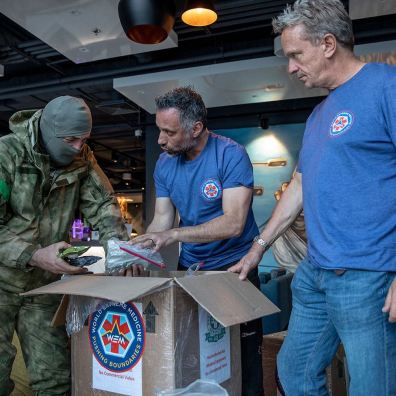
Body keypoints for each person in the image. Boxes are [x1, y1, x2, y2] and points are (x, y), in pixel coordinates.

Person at [229, 0, 396, 394]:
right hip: (314, 275)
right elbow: (299, 187)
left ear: (327, 43)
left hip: (367, 277)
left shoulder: (385, 86)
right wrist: (257, 248)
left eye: (295, 55)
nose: (290, 67)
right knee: (295, 373)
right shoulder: (319, 114)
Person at [131, 86, 263, 396]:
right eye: (159, 130)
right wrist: (139, 250)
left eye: (169, 132)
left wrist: (174, 234)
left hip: (235, 270)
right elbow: (162, 219)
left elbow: (233, 223)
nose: (161, 140)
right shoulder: (165, 163)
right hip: (191, 269)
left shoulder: (231, 155)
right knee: (192, 351)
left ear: (196, 128)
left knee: (245, 361)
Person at [0, 96, 128, 395]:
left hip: (43, 286)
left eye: (84, 139)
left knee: (55, 377)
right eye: (71, 139)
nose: (77, 147)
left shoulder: (83, 158)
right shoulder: (6, 154)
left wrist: (120, 252)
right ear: (47, 131)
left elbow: (104, 205)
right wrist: (32, 253)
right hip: (2, 280)